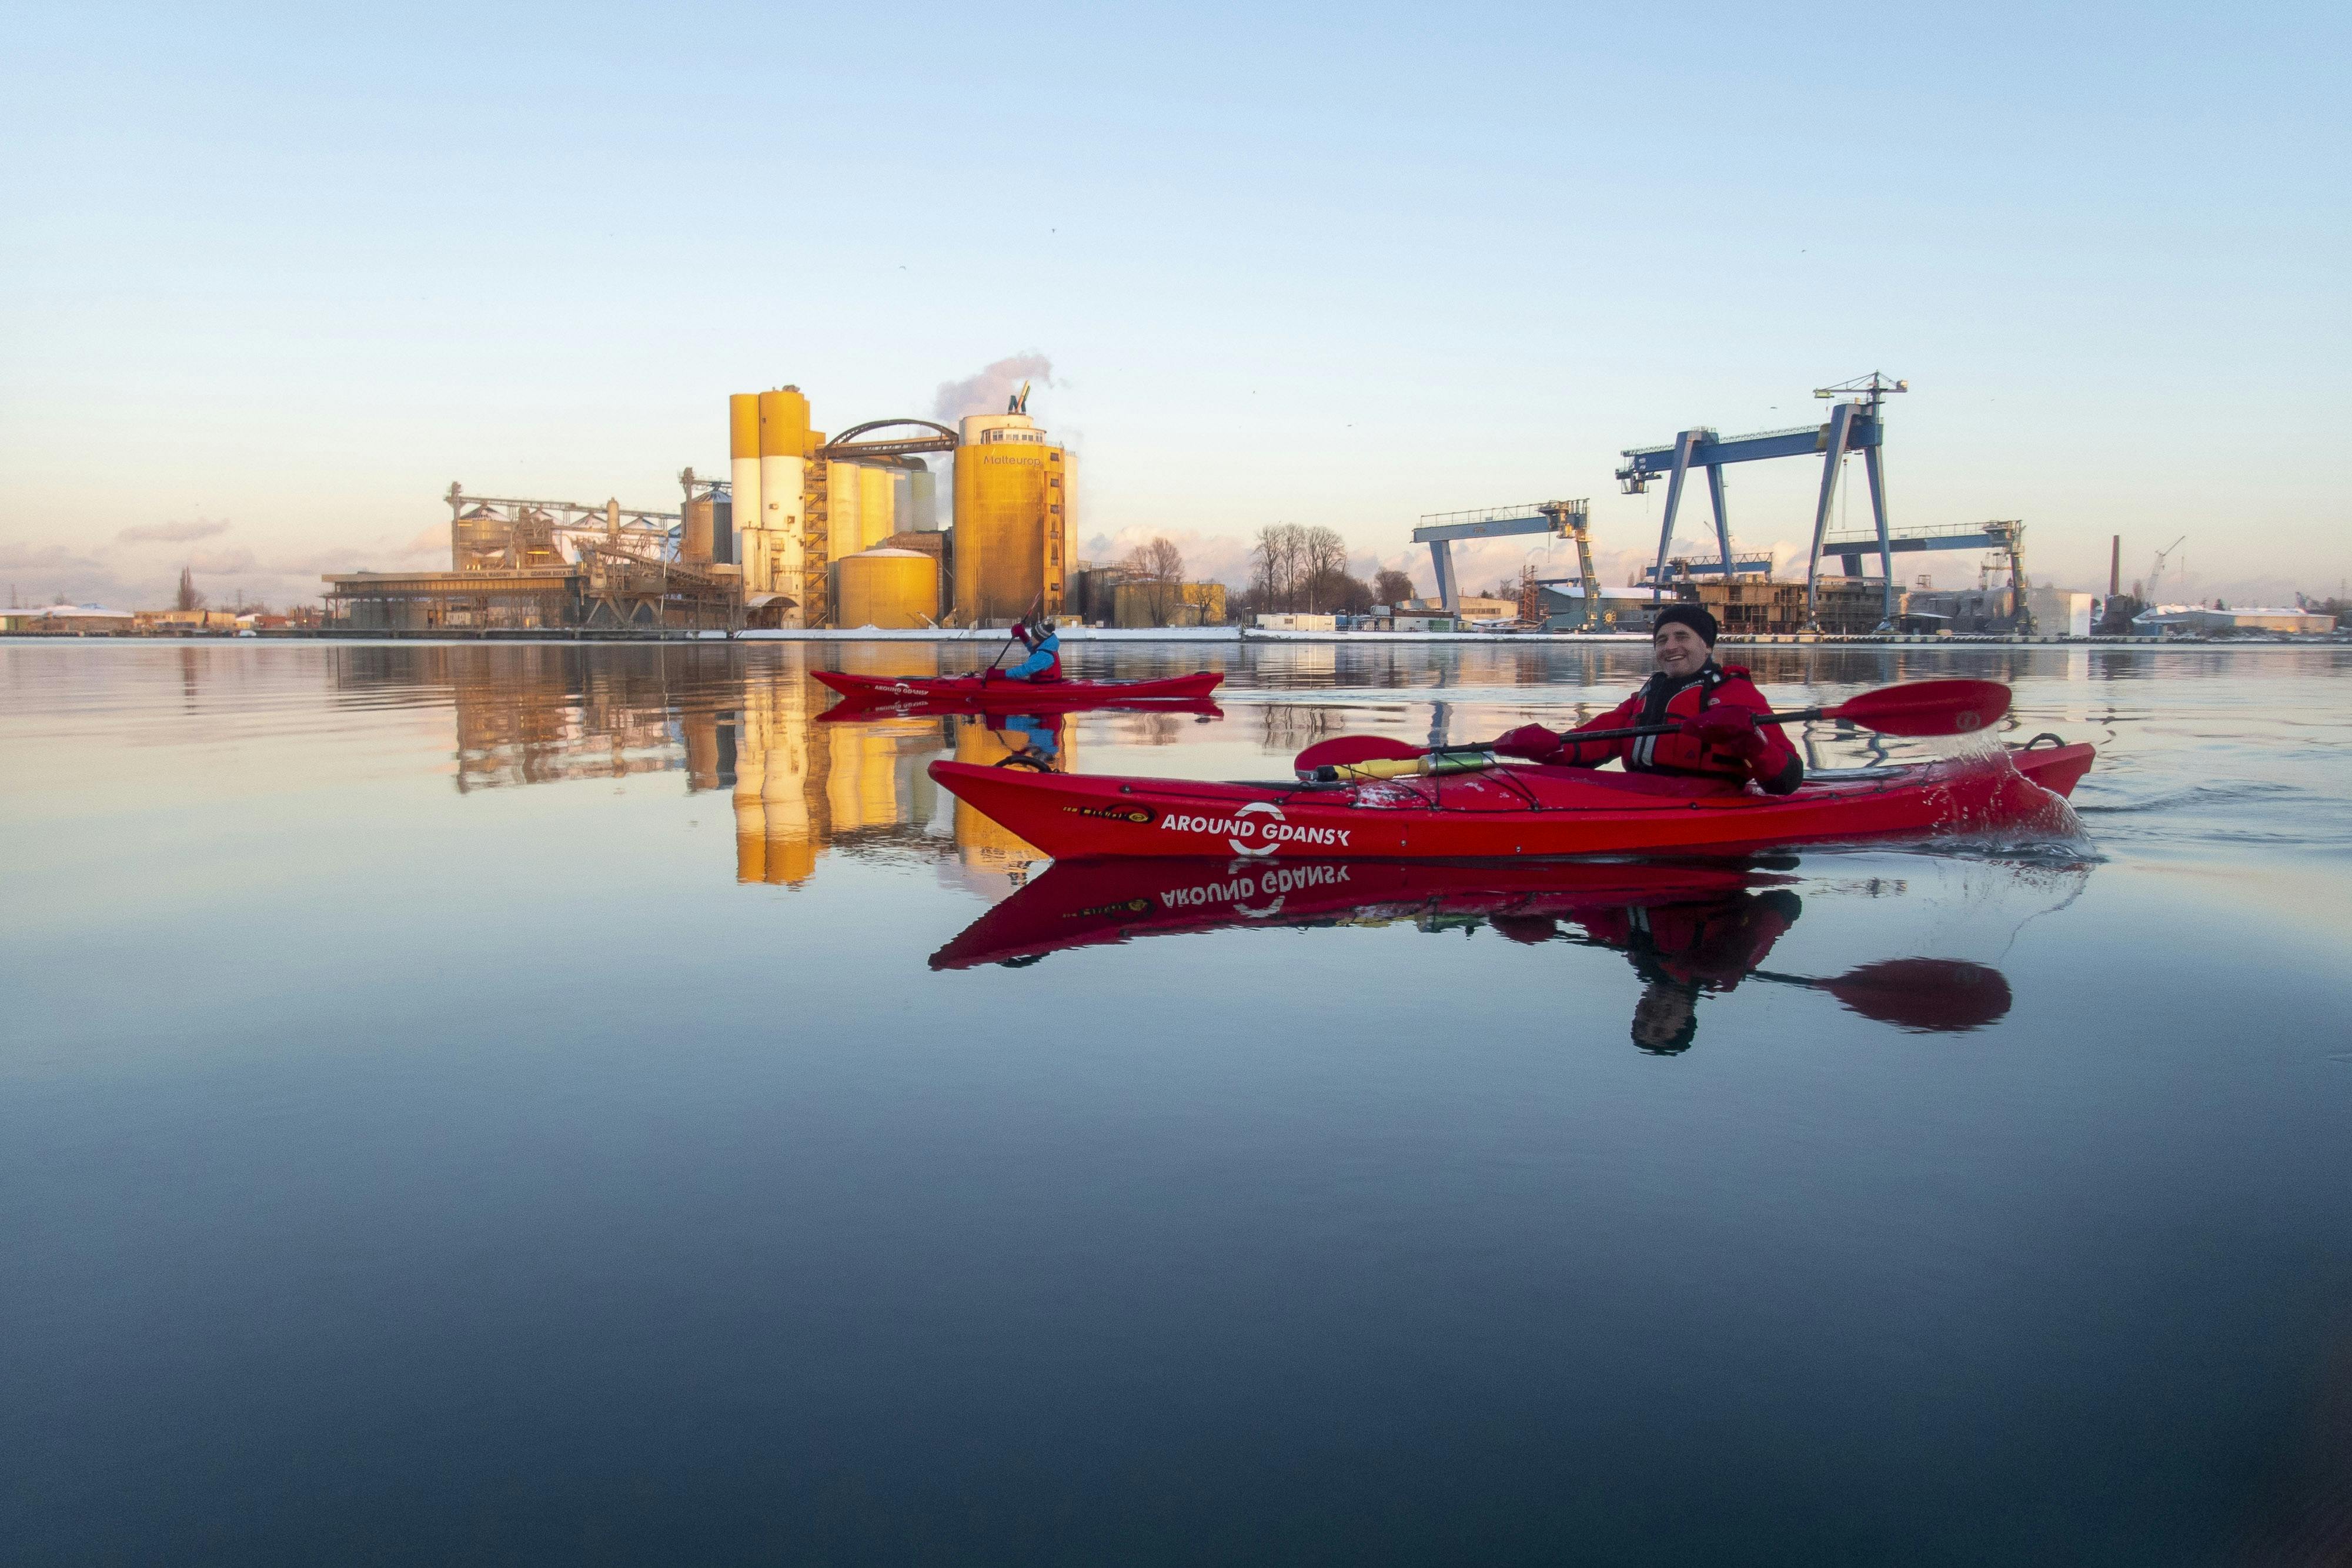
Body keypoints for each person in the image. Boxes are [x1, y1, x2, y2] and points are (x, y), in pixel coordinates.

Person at [1491, 604, 1804, 795]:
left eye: (1682, 637)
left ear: (1707, 646)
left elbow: (1787, 780)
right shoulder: (1648, 694)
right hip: (1644, 793)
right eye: (1662, 640)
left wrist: (1752, 740)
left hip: (1710, 802)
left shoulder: (1734, 693)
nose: (1670, 647)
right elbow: (1598, 739)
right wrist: (1551, 746)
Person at [989, 617, 1063, 683]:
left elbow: (1024, 670)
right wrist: (1022, 634)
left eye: (1033, 636)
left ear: (1040, 639)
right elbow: (1033, 648)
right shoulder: (1047, 648)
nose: (1031, 638)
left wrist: (998, 674)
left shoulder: (1045, 656)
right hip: (1044, 684)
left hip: (1046, 687)